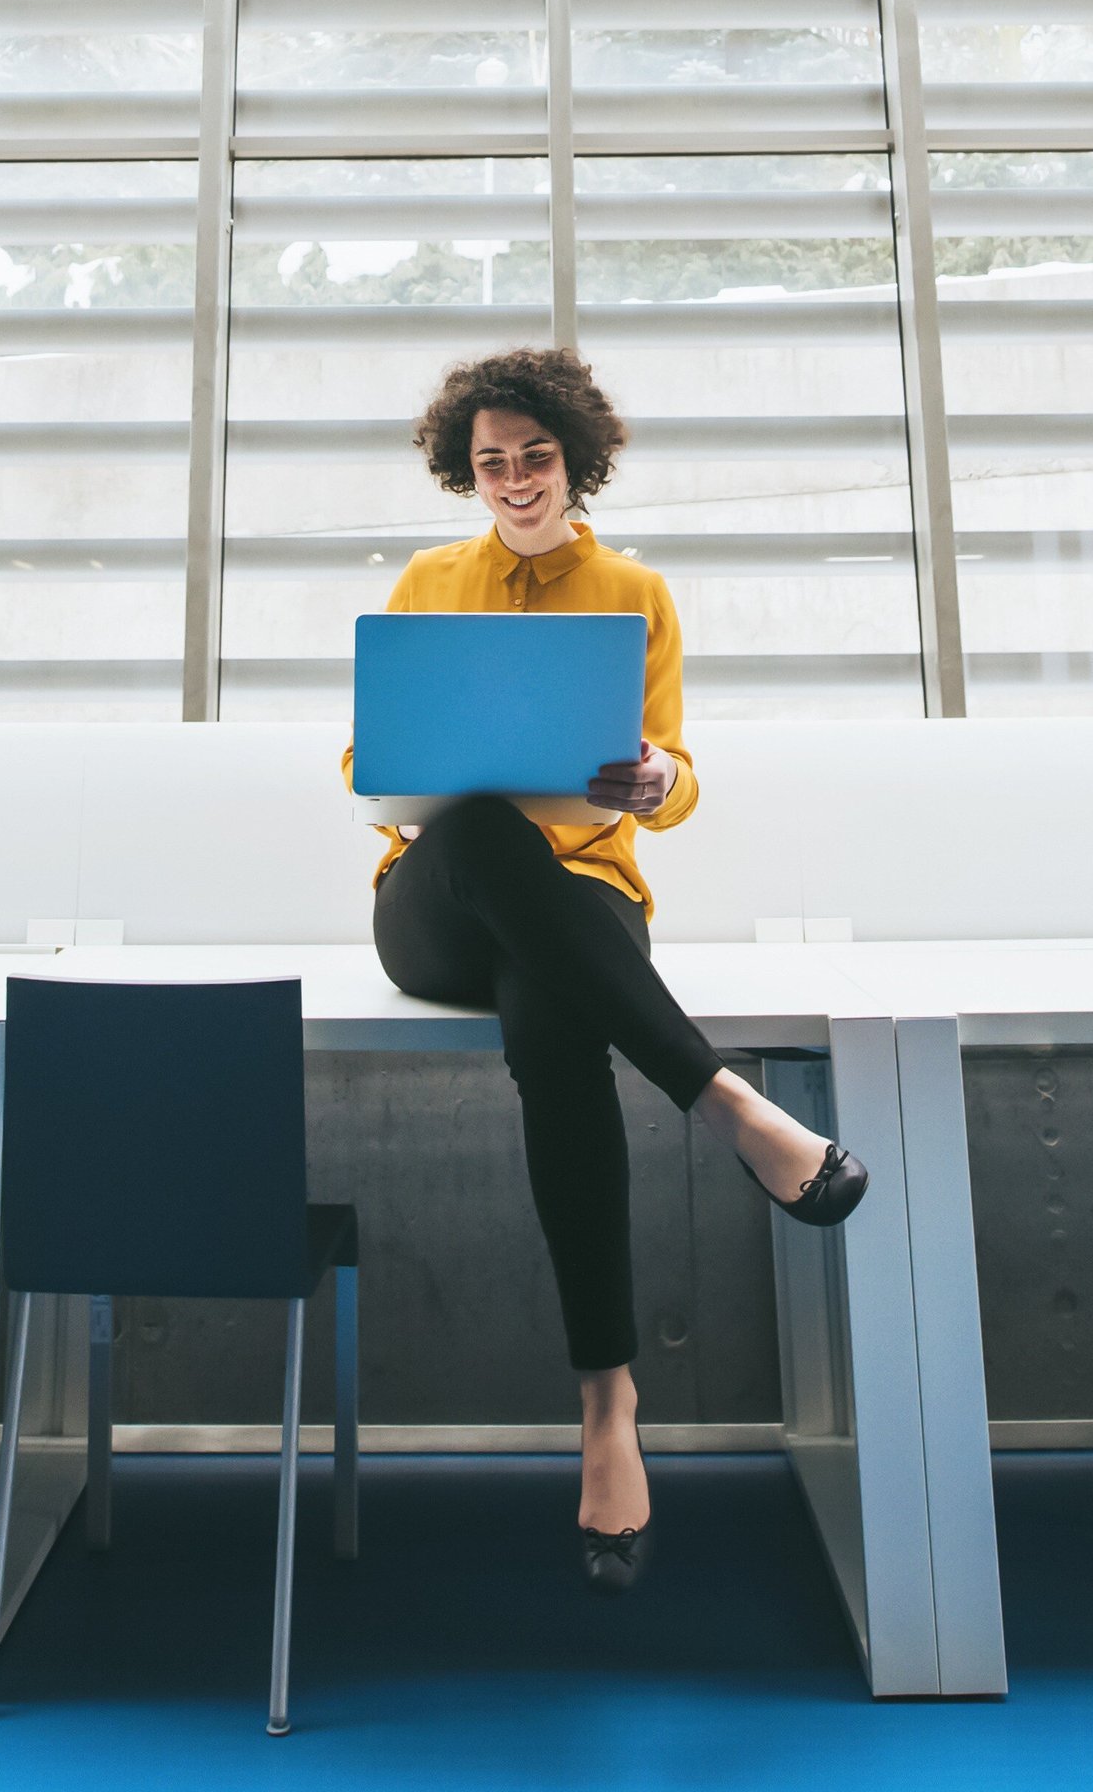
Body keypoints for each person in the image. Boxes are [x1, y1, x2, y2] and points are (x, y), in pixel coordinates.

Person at [341, 347, 868, 1594]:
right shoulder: (428, 579)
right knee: (474, 822)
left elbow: (673, 774)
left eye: (534, 456)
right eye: (491, 462)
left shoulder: (631, 588)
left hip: (585, 902)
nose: (515, 479)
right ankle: (730, 1101)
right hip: (437, 906)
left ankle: (607, 1405)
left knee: (558, 1027)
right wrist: (404, 777)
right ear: (463, 474)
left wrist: (656, 781)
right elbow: (367, 766)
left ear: (576, 459)